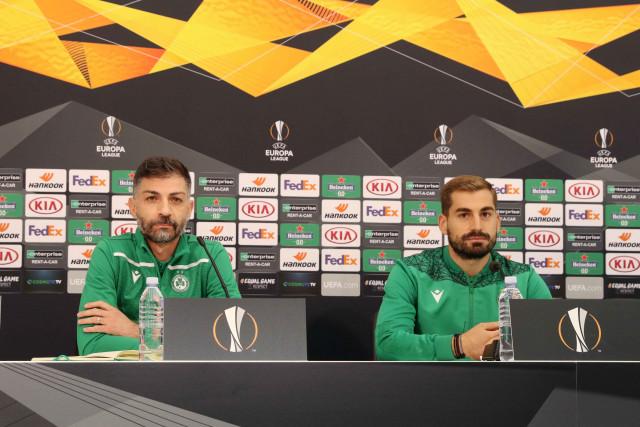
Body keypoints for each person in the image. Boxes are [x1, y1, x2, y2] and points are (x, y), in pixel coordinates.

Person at [375, 175, 551, 361]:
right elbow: (387, 346)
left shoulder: (524, 277)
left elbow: (553, 345)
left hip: (504, 380)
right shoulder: (411, 272)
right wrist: (458, 345)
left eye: (485, 214)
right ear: (444, 224)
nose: (477, 226)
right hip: (431, 380)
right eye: (464, 215)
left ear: (498, 222)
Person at [77, 157, 240, 355]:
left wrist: (136, 331)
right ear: (133, 207)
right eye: (152, 198)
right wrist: (188, 342)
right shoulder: (110, 252)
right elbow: (92, 345)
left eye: (176, 199)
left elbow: (231, 339)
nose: (165, 210)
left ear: (189, 209)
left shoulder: (210, 254)